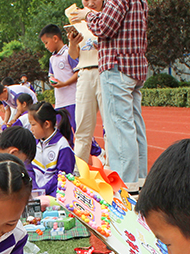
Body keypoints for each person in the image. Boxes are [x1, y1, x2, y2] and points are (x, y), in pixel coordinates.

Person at [70, 0, 148, 192]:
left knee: (118, 128)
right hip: (134, 67)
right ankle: (138, 181)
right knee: (133, 126)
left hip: (117, 68)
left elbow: (105, 27)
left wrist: (86, 15)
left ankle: (124, 186)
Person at [67, 0, 105, 164]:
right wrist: (72, 43)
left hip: (105, 71)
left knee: (110, 126)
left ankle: (112, 167)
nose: (90, 2)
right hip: (84, 73)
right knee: (82, 126)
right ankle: (79, 168)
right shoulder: (76, 20)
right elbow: (74, 55)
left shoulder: (108, 16)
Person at [29, 101, 75, 196]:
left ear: (46, 124)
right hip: (37, 191)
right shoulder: (34, 141)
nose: (31, 129)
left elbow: (63, 177)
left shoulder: (62, 146)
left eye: (33, 124)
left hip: (55, 193)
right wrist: (34, 189)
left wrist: (43, 191)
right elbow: (29, 168)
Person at [41, 24, 79, 129]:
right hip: (59, 102)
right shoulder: (52, 58)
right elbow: (51, 75)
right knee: (63, 132)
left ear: (55, 38)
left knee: (79, 130)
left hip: (73, 100)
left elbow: (79, 72)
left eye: (46, 43)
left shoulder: (69, 53)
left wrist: (64, 83)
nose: (46, 46)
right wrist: (52, 81)